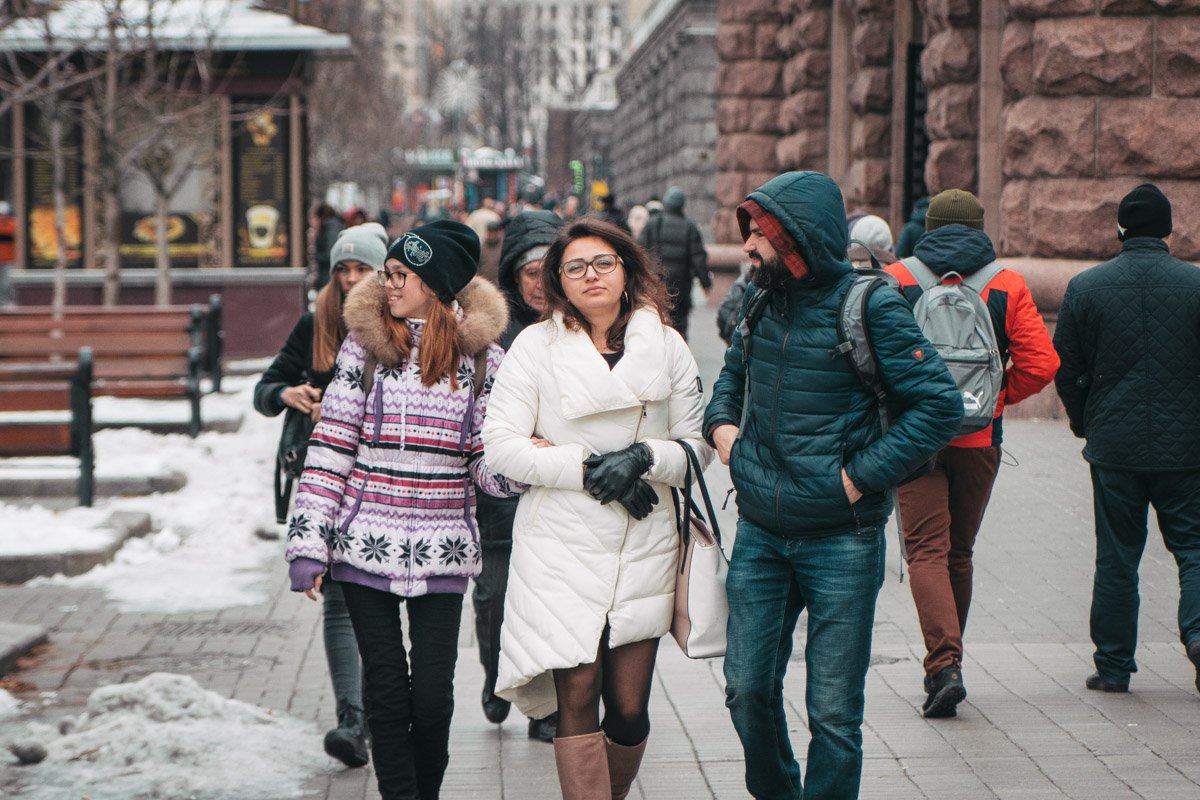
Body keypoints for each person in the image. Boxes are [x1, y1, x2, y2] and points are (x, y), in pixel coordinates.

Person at [704, 171, 962, 800]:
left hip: (841, 541)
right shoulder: (761, 299)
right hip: (762, 534)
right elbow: (727, 386)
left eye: (758, 235)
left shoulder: (870, 304)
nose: (748, 249)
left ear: (795, 236)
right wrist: (730, 443)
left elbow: (939, 406)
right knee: (746, 689)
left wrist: (856, 479)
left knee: (833, 714)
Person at [482, 218, 713, 800]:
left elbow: (697, 447)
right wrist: (589, 470)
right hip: (560, 544)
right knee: (578, 694)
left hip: (644, 541)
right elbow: (502, 447)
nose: (591, 276)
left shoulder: (666, 343)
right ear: (559, 280)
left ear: (628, 269)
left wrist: (641, 458)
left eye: (604, 263)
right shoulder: (535, 346)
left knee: (629, 711)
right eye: (576, 267)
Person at [285, 220, 516, 800]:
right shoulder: (363, 350)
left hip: (444, 551)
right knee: (386, 693)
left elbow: (485, 463)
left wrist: (521, 466)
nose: (388, 285)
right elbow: (332, 445)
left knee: (434, 698)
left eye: (401, 275)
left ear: (436, 285)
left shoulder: (484, 363)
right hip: (363, 544)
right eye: (387, 274)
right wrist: (309, 546)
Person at [883, 189, 1059, 718]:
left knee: (925, 553)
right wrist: (997, 400)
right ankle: (949, 662)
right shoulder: (1006, 283)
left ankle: (944, 666)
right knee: (959, 551)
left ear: (930, 227)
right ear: (982, 227)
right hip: (979, 437)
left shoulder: (898, 279)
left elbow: (874, 357)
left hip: (914, 437)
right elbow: (1042, 363)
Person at [1053, 183, 1200, 696]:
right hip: (1187, 449)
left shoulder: (1086, 287)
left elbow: (1066, 370)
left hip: (1114, 446)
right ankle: (1199, 634)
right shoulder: (1195, 285)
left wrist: (1084, 423)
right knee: (1194, 548)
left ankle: (1114, 666)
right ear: (1167, 231)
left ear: (1120, 231)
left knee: (1117, 556)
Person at [254, 224, 386, 768]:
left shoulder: (398, 323)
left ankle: (381, 711)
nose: (352, 278)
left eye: (362, 269)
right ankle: (352, 720)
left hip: (383, 482)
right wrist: (288, 392)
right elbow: (265, 389)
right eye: (343, 269)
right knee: (338, 599)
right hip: (326, 479)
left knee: (380, 601)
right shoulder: (316, 324)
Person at [473, 210, 563, 743]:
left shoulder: (576, 327)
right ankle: (494, 673)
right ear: (511, 273)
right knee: (495, 597)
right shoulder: (490, 333)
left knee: (549, 600)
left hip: (556, 495)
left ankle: (546, 707)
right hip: (500, 499)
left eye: (549, 269)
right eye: (529, 270)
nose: (539, 281)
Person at [638, 186, 712, 341]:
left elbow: (640, 250)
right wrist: (706, 284)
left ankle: (660, 346)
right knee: (680, 320)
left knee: (656, 316)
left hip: (657, 281)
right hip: (681, 284)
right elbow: (698, 257)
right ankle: (679, 347)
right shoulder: (689, 227)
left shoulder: (653, 223)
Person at [313, 203, 345, 290]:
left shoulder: (330, 228)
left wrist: (316, 256)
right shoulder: (333, 226)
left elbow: (329, 253)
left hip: (327, 275)